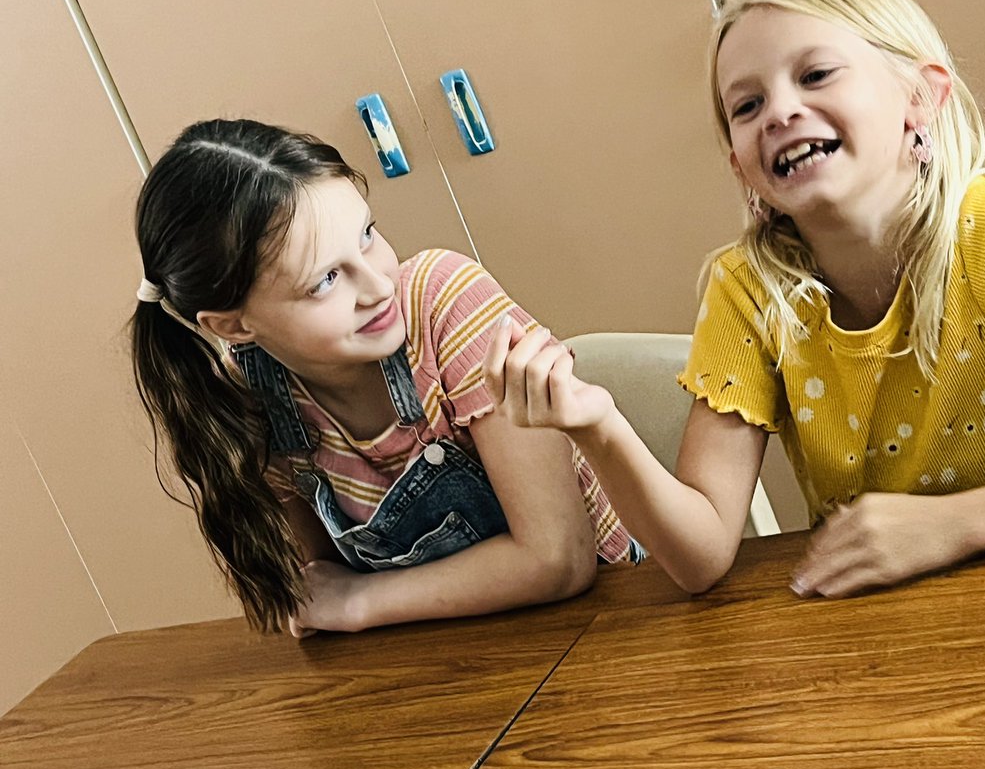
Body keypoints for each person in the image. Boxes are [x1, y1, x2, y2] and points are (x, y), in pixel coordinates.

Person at [483, 0, 985, 599]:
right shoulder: (746, 293)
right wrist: (596, 425)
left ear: (920, 98)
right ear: (739, 164)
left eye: (816, 74)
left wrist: (957, 525)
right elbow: (699, 558)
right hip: (880, 627)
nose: (781, 111)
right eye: (746, 105)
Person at [131, 119, 638, 638]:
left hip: (613, 625)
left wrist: (358, 603)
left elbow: (559, 560)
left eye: (368, 236)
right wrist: (336, 602)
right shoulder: (255, 400)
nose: (377, 285)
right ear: (235, 325)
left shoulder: (446, 303)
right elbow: (318, 585)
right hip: (454, 654)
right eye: (326, 280)